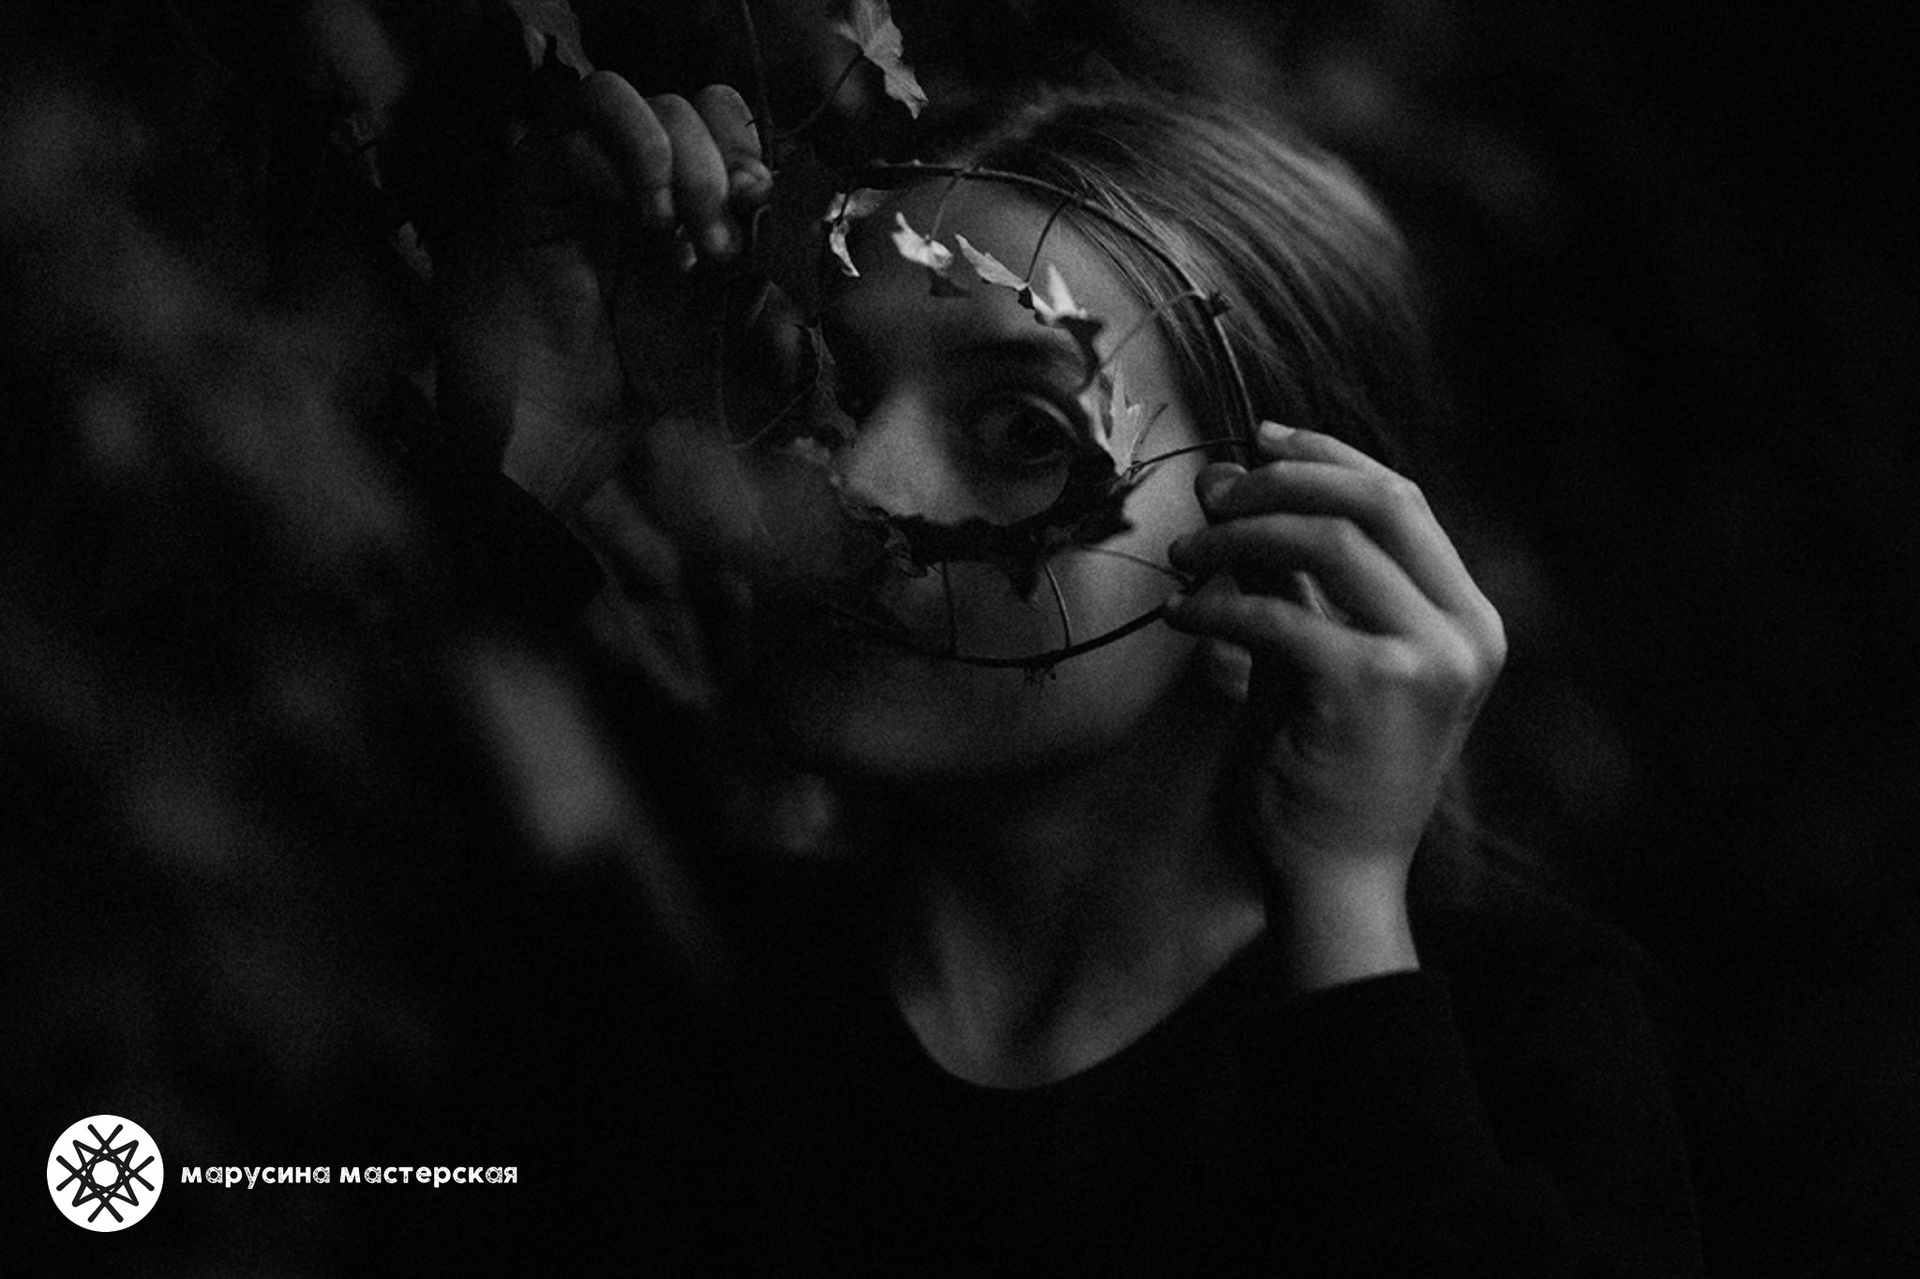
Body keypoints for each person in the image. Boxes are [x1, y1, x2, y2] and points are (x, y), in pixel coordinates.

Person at [448, 66, 1703, 1274]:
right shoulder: (675, 953)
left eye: (1023, 431)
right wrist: (530, 462)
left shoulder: (1510, 1058)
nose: (858, 483)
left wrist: (1349, 923)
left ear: (1286, 559)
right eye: (831, 383)